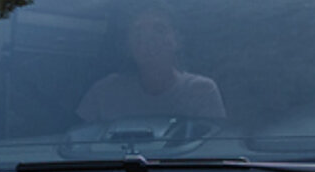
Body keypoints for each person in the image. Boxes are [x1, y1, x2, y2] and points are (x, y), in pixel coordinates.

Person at [76, 9, 225, 122]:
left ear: (177, 40)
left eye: (159, 30)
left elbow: (212, 148)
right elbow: (76, 144)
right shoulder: (104, 93)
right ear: (128, 45)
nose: (148, 40)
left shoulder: (201, 91)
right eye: (138, 31)